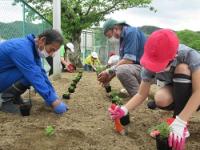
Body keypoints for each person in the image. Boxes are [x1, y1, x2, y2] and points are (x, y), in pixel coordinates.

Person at [108, 29, 200, 150]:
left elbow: (198, 91)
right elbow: (141, 94)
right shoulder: (150, 60)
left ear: (174, 56)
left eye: (159, 64)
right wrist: (124, 109)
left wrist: (181, 122)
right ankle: (177, 121)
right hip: (183, 91)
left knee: (182, 68)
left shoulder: (189, 56)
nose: (155, 68)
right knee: (161, 98)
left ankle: (180, 121)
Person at [0, 29, 68, 114]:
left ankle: (14, 97)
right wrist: (53, 102)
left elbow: (42, 74)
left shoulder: (32, 49)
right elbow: (34, 76)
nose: (51, 54)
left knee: (35, 72)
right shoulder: (22, 48)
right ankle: (6, 101)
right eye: (52, 49)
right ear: (42, 40)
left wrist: (54, 97)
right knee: (29, 75)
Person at [98, 18, 146, 97]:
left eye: (109, 36)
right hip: (139, 68)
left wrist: (108, 71)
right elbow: (121, 62)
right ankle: (138, 89)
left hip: (147, 69)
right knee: (116, 64)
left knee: (121, 70)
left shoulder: (131, 32)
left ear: (115, 29)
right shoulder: (123, 38)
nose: (110, 38)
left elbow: (128, 60)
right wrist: (109, 77)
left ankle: (139, 95)